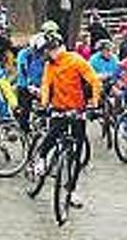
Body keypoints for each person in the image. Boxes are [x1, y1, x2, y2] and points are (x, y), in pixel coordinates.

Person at [34, 31, 101, 208]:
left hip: (78, 110)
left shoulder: (75, 60)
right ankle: (40, 159)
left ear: (52, 49)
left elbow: (94, 80)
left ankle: (71, 191)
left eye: (44, 52)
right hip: (59, 108)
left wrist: (94, 103)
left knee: (77, 153)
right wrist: (44, 104)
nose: (43, 56)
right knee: (53, 133)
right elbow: (46, 85)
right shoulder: (50, 65)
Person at [15, 33, 48, 132]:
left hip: (39, 85)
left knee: (47, 106)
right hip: (24, 85)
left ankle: (42, 124)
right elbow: (23, 69)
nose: (41, 52)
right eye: (39, 50)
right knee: (25, 110)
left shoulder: (44, 55)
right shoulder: (24, 54)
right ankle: (24, 131)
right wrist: (29, 84)